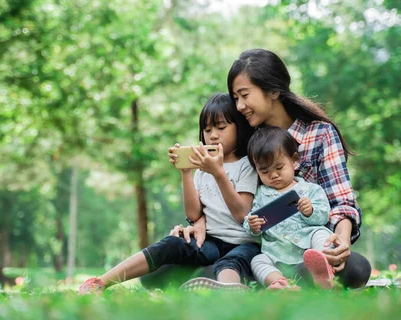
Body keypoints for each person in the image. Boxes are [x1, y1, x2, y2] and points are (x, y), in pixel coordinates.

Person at [78, 93, 260, 294]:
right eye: (207, 130)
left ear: (239, 128)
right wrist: (186, 173)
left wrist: (218, 173)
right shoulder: (201, 170)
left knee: (231, 262)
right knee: (174, 244)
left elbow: (242, 213)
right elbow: (193, 214)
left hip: (244, 243)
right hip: (211, 242)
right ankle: (100, 282)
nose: (213, 135)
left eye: (221, 127)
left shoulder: (246, 165)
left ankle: (228, 291)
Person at [227, 48, 371, 288]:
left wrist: (341, 241)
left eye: (244, 95)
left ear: (273, 90)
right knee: (165, 270)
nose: (239, 106)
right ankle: (266, 279)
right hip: (265, 251)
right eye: (235, 98)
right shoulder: (246, 141)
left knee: (356, 269)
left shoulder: (320, 134)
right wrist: (194, 224)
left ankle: (301, 276)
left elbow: (342, 202)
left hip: (311, 245)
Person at [245, 126, 334, 290]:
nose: (273, 175)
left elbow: (324, 217)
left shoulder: (310, 189)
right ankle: (279, 283)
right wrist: (252, 225)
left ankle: (323, 266)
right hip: (276, 254)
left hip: (307, 250)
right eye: (264, 171)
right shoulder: (261, 193)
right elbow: (252, 218)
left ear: (294, 160)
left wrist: (311, 211)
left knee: (320, 233)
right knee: (257, 261)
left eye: (279, 168)